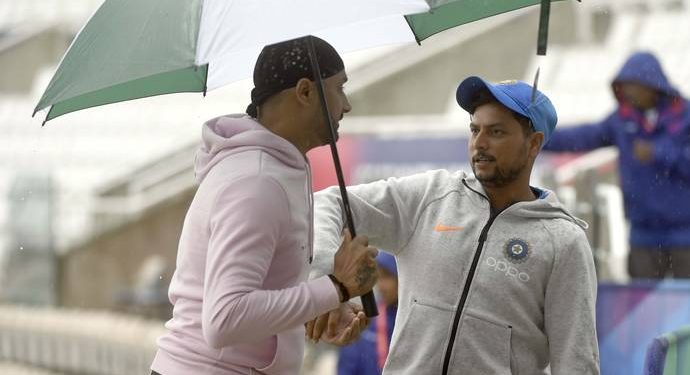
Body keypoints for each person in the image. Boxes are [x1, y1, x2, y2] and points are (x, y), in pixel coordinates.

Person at [307, 77, 600, 374]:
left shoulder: (563, 241)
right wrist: (324, 283)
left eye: (496, 132)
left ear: (534, 143)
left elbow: (578, 362)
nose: (480, 143)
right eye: (475, 130)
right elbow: (328, 203)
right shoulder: (430, 195)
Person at [150, 36, 378, 375]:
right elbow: (226, 319)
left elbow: (261, 296)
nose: (346, 105)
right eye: (339, 88)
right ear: (305, 92)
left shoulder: (276, 168)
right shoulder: (257, 182)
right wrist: (336, 287)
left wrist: (322, 305)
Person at [543, 51, 690, 279]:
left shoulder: (686, 116)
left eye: (633, 86)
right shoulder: (621, 120)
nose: (628, 93)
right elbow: (584, 136)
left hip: (685, 235)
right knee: (644, 310)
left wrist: (658, 153)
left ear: (653, 84)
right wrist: (538, 138)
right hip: (642, 235)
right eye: (624, 86)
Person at [338, 253, 398, 375]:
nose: (381, 286)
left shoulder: (415, 323)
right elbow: (347, 365)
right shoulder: (367, 318)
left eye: (387, 276)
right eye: (378, 277)